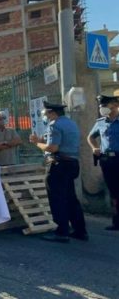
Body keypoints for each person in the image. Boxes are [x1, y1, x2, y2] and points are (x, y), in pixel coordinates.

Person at [29, 101, 87, 243]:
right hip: (72, 163)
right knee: (71, 198)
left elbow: (53, 148)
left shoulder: (55, 125)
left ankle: (61, 232)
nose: (45, 116)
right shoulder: (70, 123)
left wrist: (37, 143)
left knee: (57, 199)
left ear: (52, 113)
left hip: (59, 164)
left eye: (45, 113)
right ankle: (80, 231)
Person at [88, 93, 119, 231]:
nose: (102, 108)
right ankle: (116, 222)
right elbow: (90, 137)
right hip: (107, 160)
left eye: (105, 105)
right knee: (113, 191)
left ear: (116, 105)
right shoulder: (101, 122)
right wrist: (95, 147)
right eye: (101, 106)